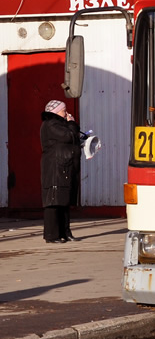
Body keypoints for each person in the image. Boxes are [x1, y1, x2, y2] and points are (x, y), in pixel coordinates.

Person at [40, 100, 83, 244]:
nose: (67, 113)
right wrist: (72, 123)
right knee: (53, 202)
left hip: (64, 167)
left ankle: (65, 232)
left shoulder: (59, 124)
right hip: (55, 168)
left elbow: (71, 138)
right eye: (64, 111)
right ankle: (51, 235)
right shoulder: (51, 124)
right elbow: (67, 136)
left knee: (64, 201)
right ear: (57, 111)